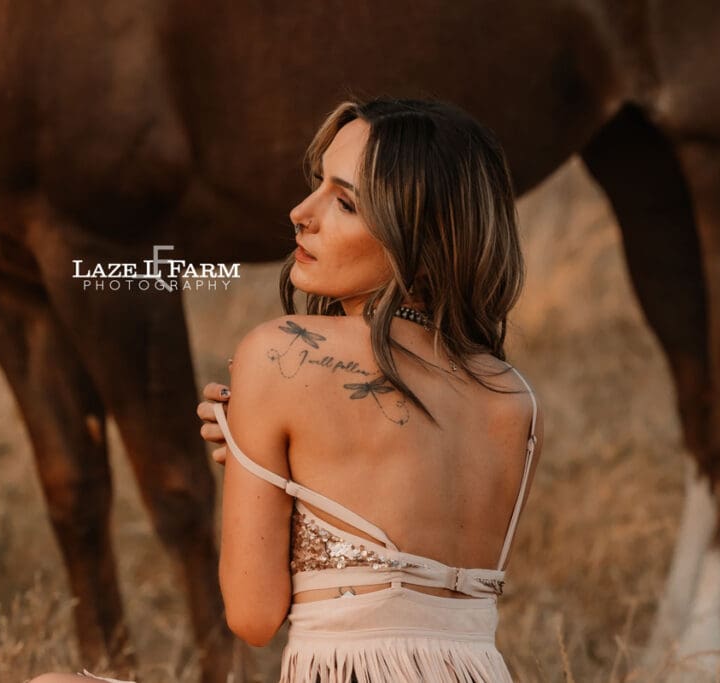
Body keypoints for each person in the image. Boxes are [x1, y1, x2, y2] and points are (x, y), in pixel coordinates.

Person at [196, 97, 544, 683]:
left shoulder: (282, 353)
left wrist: (251, 469)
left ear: (422, 241)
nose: (300, 213)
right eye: (317, 185)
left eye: (346, 203)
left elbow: (254, 617)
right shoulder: (515, 397)